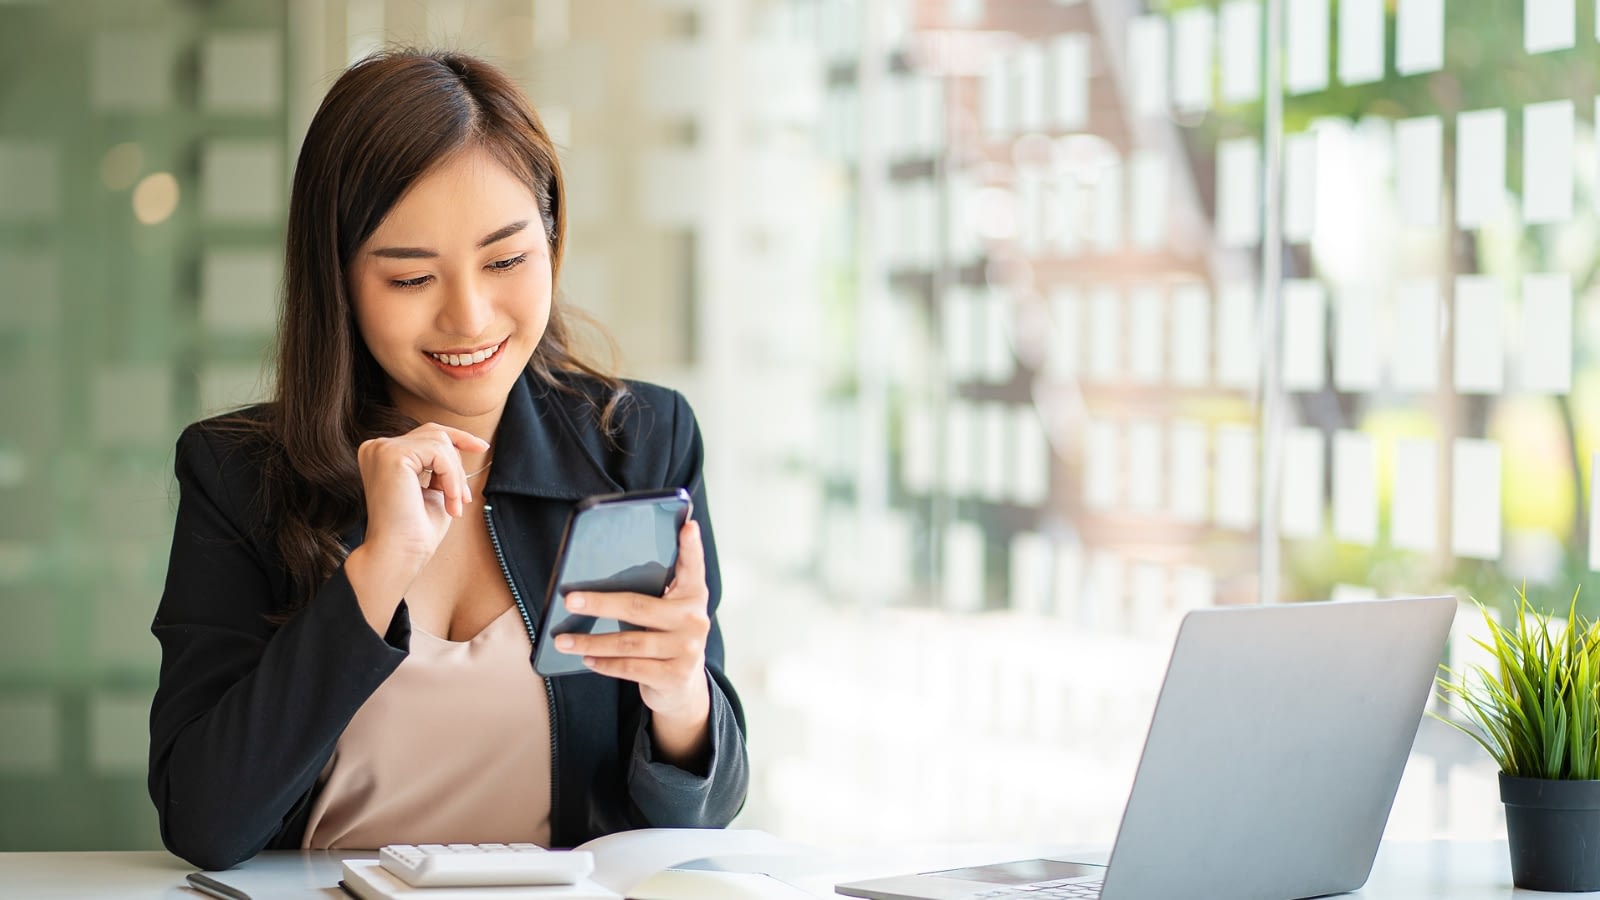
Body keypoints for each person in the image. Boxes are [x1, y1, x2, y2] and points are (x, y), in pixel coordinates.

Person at [147, 49, 748, 871]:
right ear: (341, 281)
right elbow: (205, 821)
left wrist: (682, 697)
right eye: (410, 278)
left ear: (551, 238)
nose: (469, 317)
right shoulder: (238, 475)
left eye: (505, 260)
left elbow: (698, 822)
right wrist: (375, 571)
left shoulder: (638, 441)